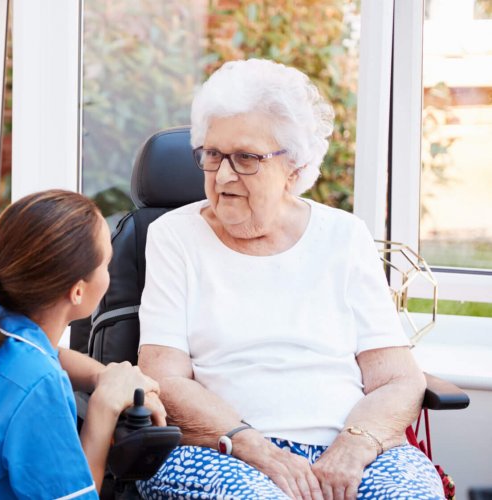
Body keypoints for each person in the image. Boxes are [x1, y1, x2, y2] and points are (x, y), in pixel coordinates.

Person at [136, 58, 443, 499]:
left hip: (348, 443)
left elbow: (398, 379)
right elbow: (164, 379)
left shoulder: (343, 235)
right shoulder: (174, 237)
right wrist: (255, 447)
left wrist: (354, 446)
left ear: (295, 168)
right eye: (212, 155)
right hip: (223, 448)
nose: (222, 175)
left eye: (245, 158)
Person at [0, 190, 166, 499]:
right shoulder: (38, 383)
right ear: (78, 291)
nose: (108, 275)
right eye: (106, 264)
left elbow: (49, 355)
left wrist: (103, 376)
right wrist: (104, 407)